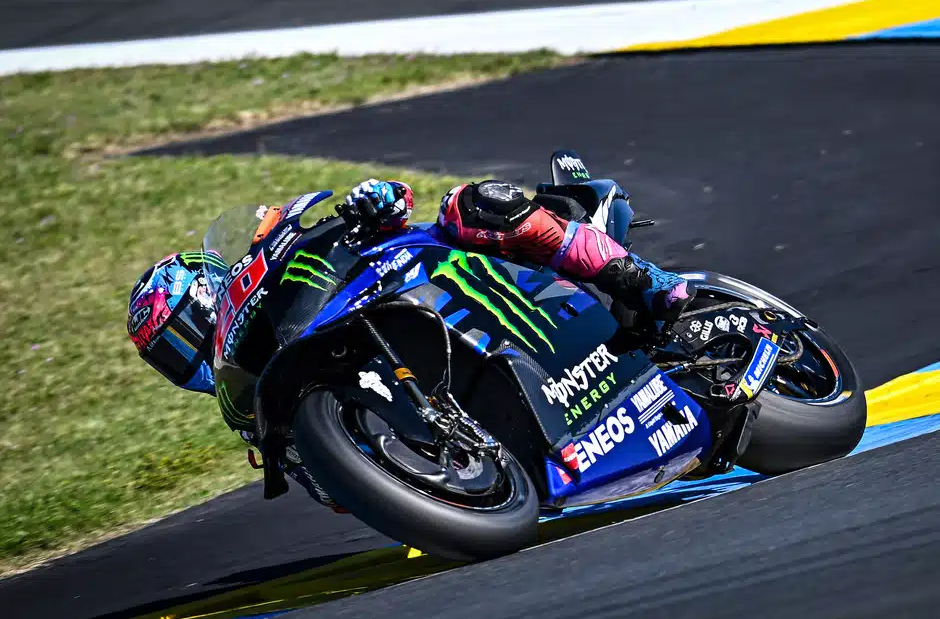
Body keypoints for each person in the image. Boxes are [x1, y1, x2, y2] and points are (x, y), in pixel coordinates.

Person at [126, 178, 694, 507]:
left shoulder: (279, 272)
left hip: (440, 273)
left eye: (181, 333)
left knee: (468, 204)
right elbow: (334, 493)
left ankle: (655, 286)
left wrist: (375, 204)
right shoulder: (252, 404)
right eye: (170, 356)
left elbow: (388, 205)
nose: (188, 352)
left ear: (210, 292)